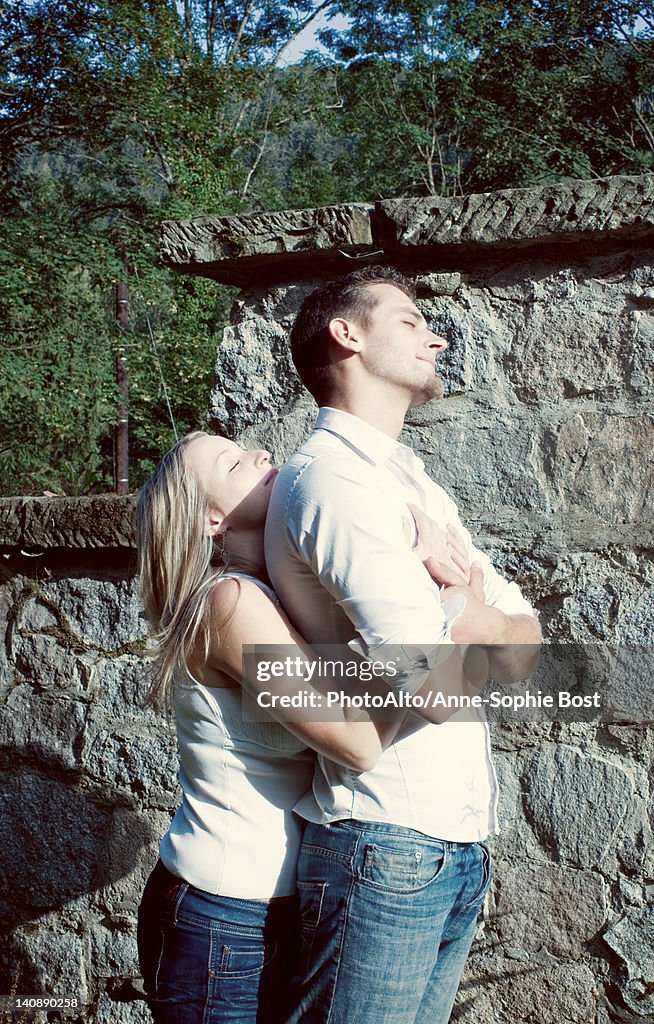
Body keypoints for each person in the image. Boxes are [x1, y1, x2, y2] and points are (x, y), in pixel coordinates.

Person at [264, 265, 543, 1024]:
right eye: (412, 320)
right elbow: (438, 691)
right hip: (385, 845)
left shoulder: (410, 479)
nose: (438, 335)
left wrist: (462, 609)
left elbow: (527, 648)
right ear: (346, 335)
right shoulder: (335, 482)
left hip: (452, 845)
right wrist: (471, 607)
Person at [134, 429, 472, 1024]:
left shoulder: (276, 597)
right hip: (222, 916)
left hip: (277, 907)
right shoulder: (229, 605)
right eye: (235, 463)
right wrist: (444, 606)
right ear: (212, 519)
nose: (262, 453)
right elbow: (359, 740)